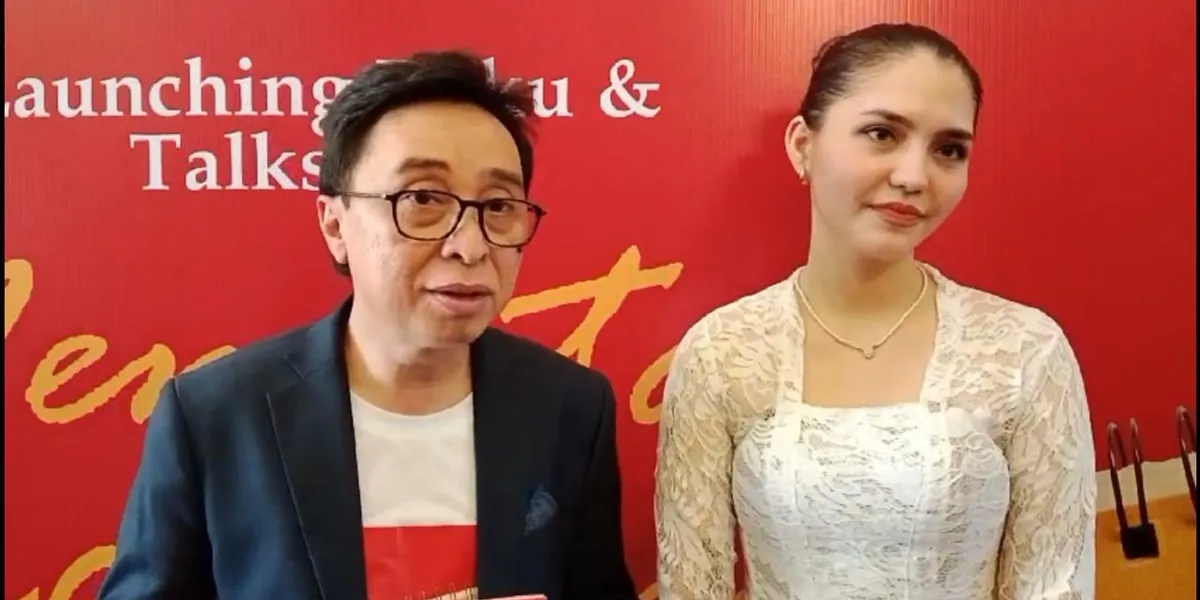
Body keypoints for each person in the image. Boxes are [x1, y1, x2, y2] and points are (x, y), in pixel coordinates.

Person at [99, 50, 637, 600]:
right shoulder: (214, 416)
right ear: (335, 225)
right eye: (422, 198)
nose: (470, 246)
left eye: (499, 206)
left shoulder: (570, 408)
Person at [654, 23, 1096, 600]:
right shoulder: (721, 353)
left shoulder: (1026, 351)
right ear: (802, 145)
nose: (914, 177)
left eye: (949, 150)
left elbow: (1054, 584)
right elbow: (693, 584)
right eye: (882, 134)